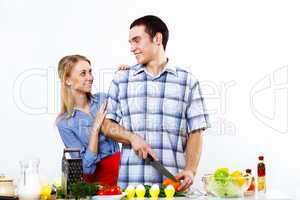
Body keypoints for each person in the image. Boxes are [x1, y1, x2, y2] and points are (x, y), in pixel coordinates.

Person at [101, 15, 211, 191]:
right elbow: (106, 125)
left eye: (136, 41)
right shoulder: (122, 80)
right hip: (131, 188)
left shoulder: (188, 82)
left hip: (173, 188)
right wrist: (132, 137)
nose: (132, 48)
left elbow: (196, 131)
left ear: (157, 39)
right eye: (130, 43)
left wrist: (190, 170)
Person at [56, 55, 127, 185]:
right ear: (68, 80)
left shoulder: (103, 99)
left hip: (122, 173)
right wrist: (95, 129)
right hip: (96, 184)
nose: (90, 77)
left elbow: (131, 108)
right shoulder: (64, 123)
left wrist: (125, 79)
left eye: (90, 71)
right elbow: (86, 167)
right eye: (83, 73)